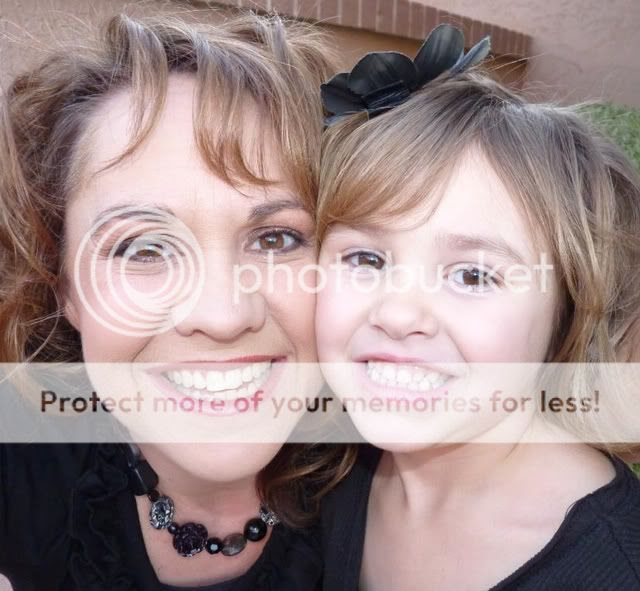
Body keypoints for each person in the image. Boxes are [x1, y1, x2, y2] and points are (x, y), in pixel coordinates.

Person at [0, 11, 355, 591]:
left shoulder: (405, 482)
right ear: (63, 288)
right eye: (145, 248)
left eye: (276, 239)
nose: (222, 315)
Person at [315, 25, 640, 591]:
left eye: (472, 275)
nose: (398, 314)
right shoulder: (327, 472)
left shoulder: (615, 569)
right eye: (366, 259)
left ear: (568, 306)